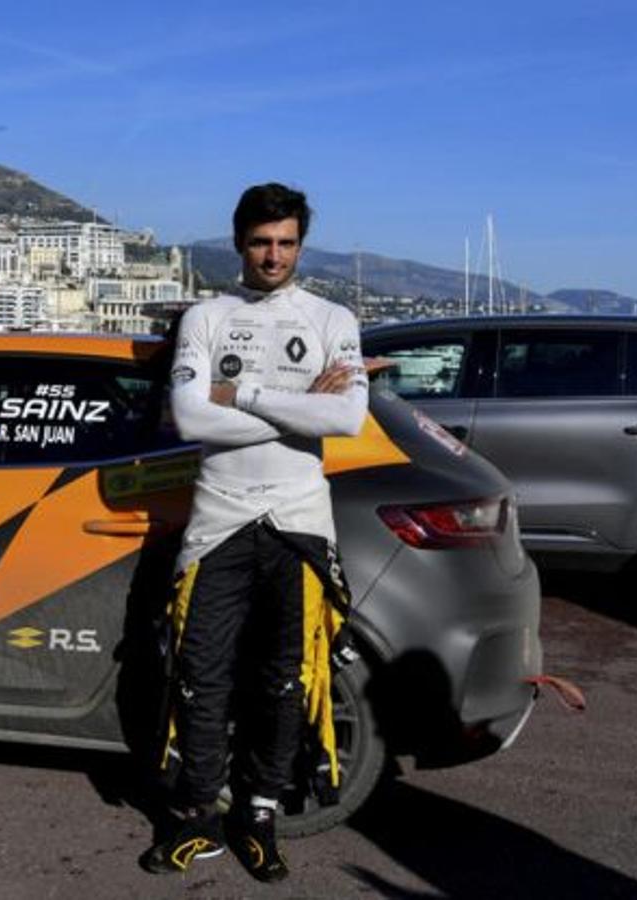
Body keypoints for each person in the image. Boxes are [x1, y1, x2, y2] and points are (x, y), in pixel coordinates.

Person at [142, 183, 368, 880]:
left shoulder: (334, 318)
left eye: (287, 242)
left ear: (301, 244)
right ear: (240, 242)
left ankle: (261, 814)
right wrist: (302, 404)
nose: (274, 255)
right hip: (218, 523)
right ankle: (198, 817)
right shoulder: (206, 317)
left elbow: (346, 421)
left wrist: (237, 393)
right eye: (262, 242)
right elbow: (190, 418)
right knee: (201, 678)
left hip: (299, 525)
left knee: (285, 682)